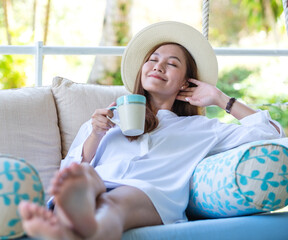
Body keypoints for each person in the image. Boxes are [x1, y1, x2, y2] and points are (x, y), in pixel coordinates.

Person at [18, 21, 285, 240]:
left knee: (111, 205)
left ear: (184, 83)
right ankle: (69, 226)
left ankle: (68, 228)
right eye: (153, 59)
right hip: (97, 182)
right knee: (83, 176)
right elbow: (69, 169)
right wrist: (95, 135)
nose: (158, 65)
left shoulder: (202, 128)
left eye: (172, 63)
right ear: (143, 69)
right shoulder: (105, 119)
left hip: (149, 194)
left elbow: (271, 132)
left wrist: (220, 98)